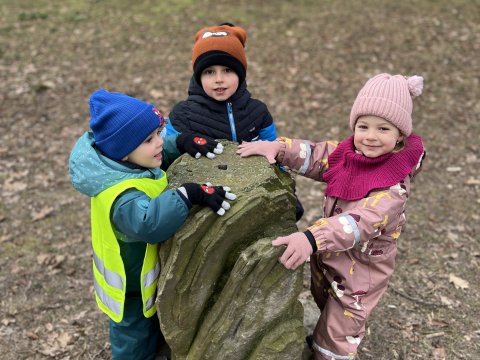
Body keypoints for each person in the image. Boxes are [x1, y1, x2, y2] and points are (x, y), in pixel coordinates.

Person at [237, 73, 426, 359]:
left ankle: (329, 352)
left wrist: (312, 238)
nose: (371, 136)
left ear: (400, 136)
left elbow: (359, 222)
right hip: (331, 261)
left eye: (383, 128)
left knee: (337, 335)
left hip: (360, 276)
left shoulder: (393, 189)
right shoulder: (349, 153)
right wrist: (279, 148)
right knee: (325, 305)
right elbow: (316, 155)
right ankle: (322, 339)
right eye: (363, 126)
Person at [69, 89, 236, 360]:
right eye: (150, 139)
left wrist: (181, 142)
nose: (159, 142)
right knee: (133, 343)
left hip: (145, 275)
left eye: (159, 133)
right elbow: (149, 223)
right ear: (123, 152)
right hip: (129, 289)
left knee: (156, 330)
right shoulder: (122, 197)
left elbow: (150, 166)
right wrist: (188, 194)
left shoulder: (125, 163)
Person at [166, 22, 304, 220]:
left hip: (252, 199)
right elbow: (163, 158)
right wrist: (182, 143)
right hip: (202, 205)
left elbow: (274, 155)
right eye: (209, 72)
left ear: (240, 73)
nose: (219, 79)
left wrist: (286, 189)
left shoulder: (258, 112)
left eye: (228, 70)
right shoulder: (182, 114)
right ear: (197, 77)